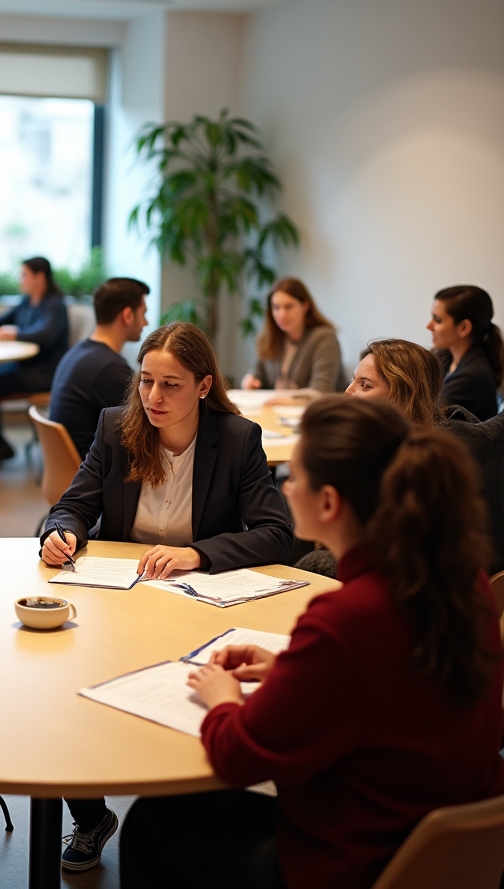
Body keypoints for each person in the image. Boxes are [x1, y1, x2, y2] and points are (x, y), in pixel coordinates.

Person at [121, 396, 504, 889]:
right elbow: (390, 689)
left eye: (294, 478)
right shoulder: (459, 580)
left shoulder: (345, 619)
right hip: (446, 848)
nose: (286, 490)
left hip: (356, 860)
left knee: (154, 825)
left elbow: (237, 756)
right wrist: (291, 671)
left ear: (328, 502)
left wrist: (223, 700)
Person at [41, 321, 293, 873]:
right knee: (68, 693)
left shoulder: (236, 438)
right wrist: (62, 533)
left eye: (171, 385)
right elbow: (72, 505)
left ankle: (190, 804)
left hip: (200, 601)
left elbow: (276, 532)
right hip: (118, 599)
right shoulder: (117, 427)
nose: (153, 397)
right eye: (146, 381)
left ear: (204, 386)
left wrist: (199, 553)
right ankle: (89, 817)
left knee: (175, 704)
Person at [342, 337, 504, 571]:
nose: (348, 393)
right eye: (353, 381)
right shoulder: (398, 442)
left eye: (365, 385)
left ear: (403, 394)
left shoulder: (424, 459)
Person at [0, 256, 69, 466]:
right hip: (23, 366)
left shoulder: (54, 305)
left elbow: (45, 335)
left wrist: (16, 333)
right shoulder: (29, 301)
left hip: (42, 373)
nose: (21, 279)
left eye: (24, 275)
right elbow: (4, 319)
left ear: (40, 277)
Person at [49, 277, 149, 459]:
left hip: (75, 469)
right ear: (127, 316)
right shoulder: (109, 370)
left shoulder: (79, 352)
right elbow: (147, 426)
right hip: (94, 473)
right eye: (143, 314)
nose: (146, 323)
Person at [242, 277, 342, 393]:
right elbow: (258, 371)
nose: (282, 314)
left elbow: (322, 389)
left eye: (288, 307)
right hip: (278, 409)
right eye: (276, 307)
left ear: (305, 306)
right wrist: (252, 379)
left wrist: (291, 399)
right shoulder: (269, 337)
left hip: (318, 410)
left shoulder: (324, 338)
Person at [428, 284, 502, 421]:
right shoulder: (444, 357)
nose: (429, 326)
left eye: (437, 320)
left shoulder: (472, 375)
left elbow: (426, 417)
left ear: (464, 327)